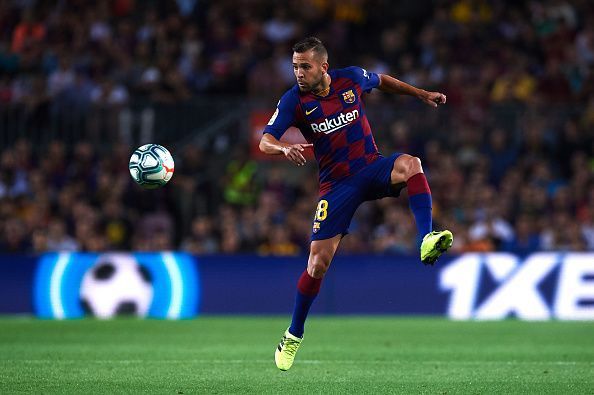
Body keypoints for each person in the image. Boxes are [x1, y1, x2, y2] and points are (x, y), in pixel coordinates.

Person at [259, 37, 453, 371]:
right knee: (317, 264)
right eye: (294, 66)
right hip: (336, 187)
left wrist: (421, 94)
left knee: (411, 164)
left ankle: (425, 238)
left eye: (304, 66)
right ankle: (293, 334)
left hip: (371, 167)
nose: (298, 73)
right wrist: (282, 149)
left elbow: (383, 80)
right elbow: (265, 140)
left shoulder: (350, 78)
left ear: (323, 66)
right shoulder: (294, 100)